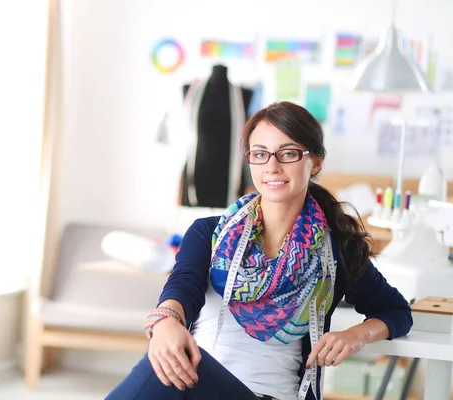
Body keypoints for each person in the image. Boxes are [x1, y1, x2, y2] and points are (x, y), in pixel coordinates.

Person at [107, 102, 412, 400]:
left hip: (269, 393)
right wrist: (165, 323)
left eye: (288, 153)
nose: (272, 167)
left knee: (173, 370)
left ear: (315, 162)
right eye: (260, 154)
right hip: (192, 384)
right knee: (168, 364)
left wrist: (355, 336)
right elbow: (183, 284)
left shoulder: (335, 252)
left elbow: (396, 311)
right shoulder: (209, 232)